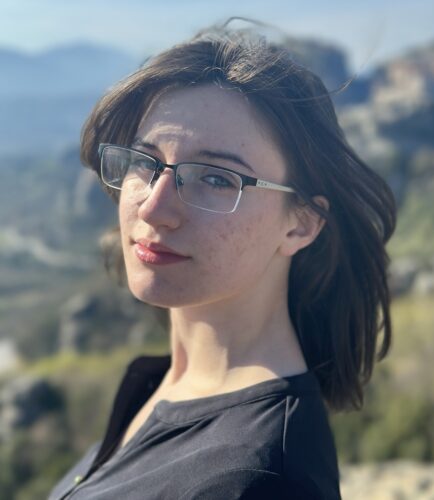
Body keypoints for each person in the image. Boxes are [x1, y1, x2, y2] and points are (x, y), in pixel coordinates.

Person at [48, 19, 396, 500]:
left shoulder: (255, 478)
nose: (153, 208)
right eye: (145, 162)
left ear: (300, 224)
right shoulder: (162, 385)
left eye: (215, 179)